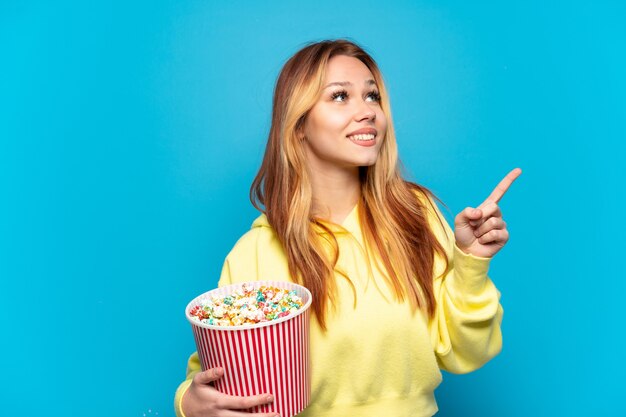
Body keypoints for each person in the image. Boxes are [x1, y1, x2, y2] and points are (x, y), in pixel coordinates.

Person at [174, 39, 521, 417]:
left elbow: (466, 352)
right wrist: (187, 402)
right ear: (299, 123)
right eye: (340, 96)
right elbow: (217, 377)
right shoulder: (254, 253)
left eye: (372, 97)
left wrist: (471, 260)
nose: (367, 111)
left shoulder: (414, 216)